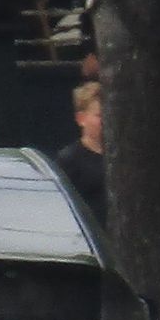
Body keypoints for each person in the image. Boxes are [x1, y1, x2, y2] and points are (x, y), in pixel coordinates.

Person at [53, 80, 105, 226]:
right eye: (99, 115)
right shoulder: (69, 159)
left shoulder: (121, 158)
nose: (105, 121)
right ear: (81, 119)